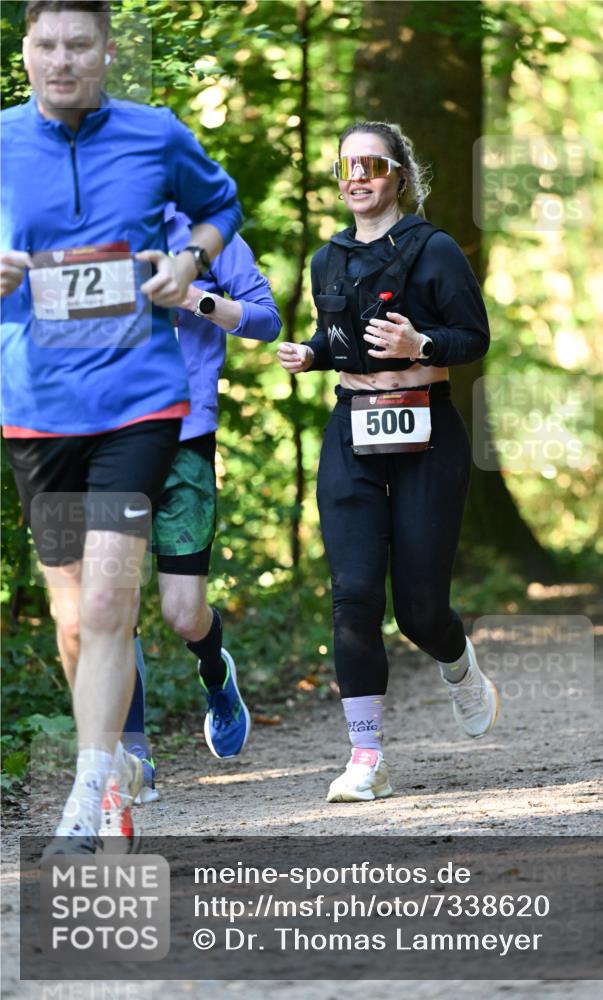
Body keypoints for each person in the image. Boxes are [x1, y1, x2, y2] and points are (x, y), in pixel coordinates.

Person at [0, 0, 242, 850]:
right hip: (36, 407)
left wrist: (187, 260)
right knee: (74, 622)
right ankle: (109, 776)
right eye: (46, 45)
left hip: (138, 400)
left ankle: (89, 789)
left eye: (79, 44)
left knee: (108, 598)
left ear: (106, 52)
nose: (62, 60)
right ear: (26, 53)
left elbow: (220, 204)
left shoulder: (154, 134)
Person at [277, 121, 499, 802]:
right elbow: (338, 335)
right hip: (354, 433)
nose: (356, 176)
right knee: (352, 599)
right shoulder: (327, 259)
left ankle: (457, 664)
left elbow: (473, 339)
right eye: (346, 165)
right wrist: (313, 353)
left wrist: (420, 342)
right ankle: (365, 755)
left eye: (370, 164)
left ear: (398, 173)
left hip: (427, 433)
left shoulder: (433, 250)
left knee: (420, 610)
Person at [121, 204, 282, 803]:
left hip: (186, 437)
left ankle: (217, 674)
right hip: (104, 435)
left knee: (184, 613)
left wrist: (196, 300)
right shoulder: (78, 229)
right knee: (111, 596)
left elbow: (267, 320)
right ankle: (134, 753)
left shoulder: (207, 237)